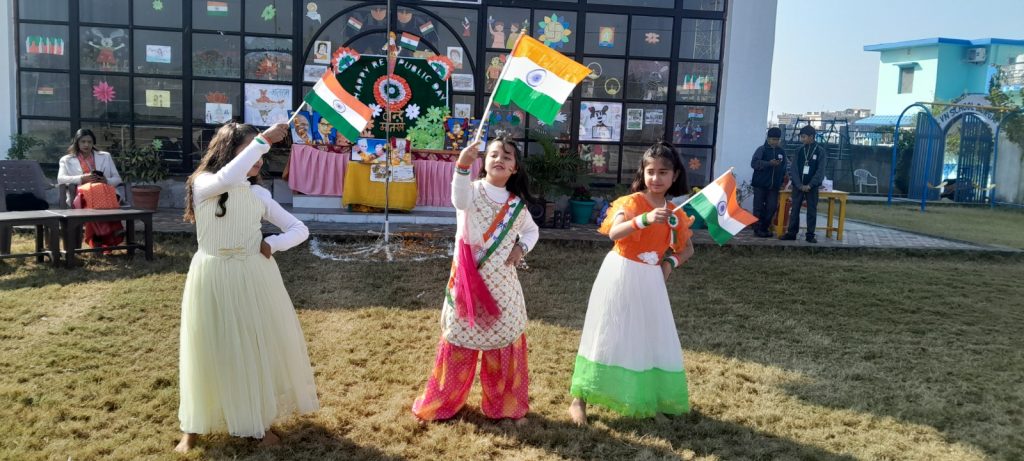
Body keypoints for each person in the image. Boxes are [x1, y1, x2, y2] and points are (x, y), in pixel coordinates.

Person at [175, 122, 318, 453]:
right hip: (211, 275)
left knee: (252, 348)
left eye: (261, 152)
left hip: (252, 276)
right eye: (251, 149)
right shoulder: (204, 183)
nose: (260, 158)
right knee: (205, 348)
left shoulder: (258, 194)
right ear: (229, 152)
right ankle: (192, 427)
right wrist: (265, 139)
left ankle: (257, 423)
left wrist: (274, 244)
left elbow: (299, 229)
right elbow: (227, 178)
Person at [411, 137, 539, 424]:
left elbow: (532, 231)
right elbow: (458, 199)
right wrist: (462, 164)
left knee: (502, 343)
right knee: (459, 342)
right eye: (494, 154)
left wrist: (521, 248)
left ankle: (505, 406)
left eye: (507, 156)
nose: (499, 159)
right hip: (467, 284)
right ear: (484, 161)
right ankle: (441, 403)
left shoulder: (517, 206)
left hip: (502, 287)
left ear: (515, 168)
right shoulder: (470, 191)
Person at [568, 142, 695, 426]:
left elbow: (687, 249)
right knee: (606, 332)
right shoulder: (631, 203)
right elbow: (615, 232)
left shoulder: (675, 213)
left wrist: (668, 264)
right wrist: (644, 219)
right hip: (621, 273)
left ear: (675, 175)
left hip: (651, 281)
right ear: (643, 173)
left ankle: (647, 399)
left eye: (663, 172)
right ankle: (580, 398)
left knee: (647, 336)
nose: (656, 178)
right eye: (651, 172)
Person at [57, 128, 125, 249]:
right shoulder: (66, 159)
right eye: (83, 141)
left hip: (106, 193)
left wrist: (106, 181)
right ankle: (113, 229)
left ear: (93, 143)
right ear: (77, 142)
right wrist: (82, 179)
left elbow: (117, 179)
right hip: (80, 196)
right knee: (94, 190)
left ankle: (100, 236)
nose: (86, 145)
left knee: (98, 188)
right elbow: (61, 179)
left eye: (89, 142)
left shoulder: (105, 156)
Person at [780, 125, 827, 243]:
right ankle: (791, 233)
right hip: (798, 186)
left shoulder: (820, 151)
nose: (802, 139)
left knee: (812, 210)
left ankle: (810, 235)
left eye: (804, 137)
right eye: (801, 136)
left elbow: (820, 171)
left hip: (812, 187)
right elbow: (794, 169)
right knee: (794, 209)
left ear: (811, 137)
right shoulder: (799, 150)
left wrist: (810, 185)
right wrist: (799, 184)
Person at [750, 127, 787, 237]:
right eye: (773, 139)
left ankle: (764, 227)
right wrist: (769, 163)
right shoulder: (761, 149)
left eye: (777, 139)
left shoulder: (781, 152)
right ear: (768, 138)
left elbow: (784, 167)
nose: (775, 142)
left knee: (772, 207)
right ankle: (757, 229)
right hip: (760, 185)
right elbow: (754, 164)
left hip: (774, 186)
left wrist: (782, 182)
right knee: (758, 207)